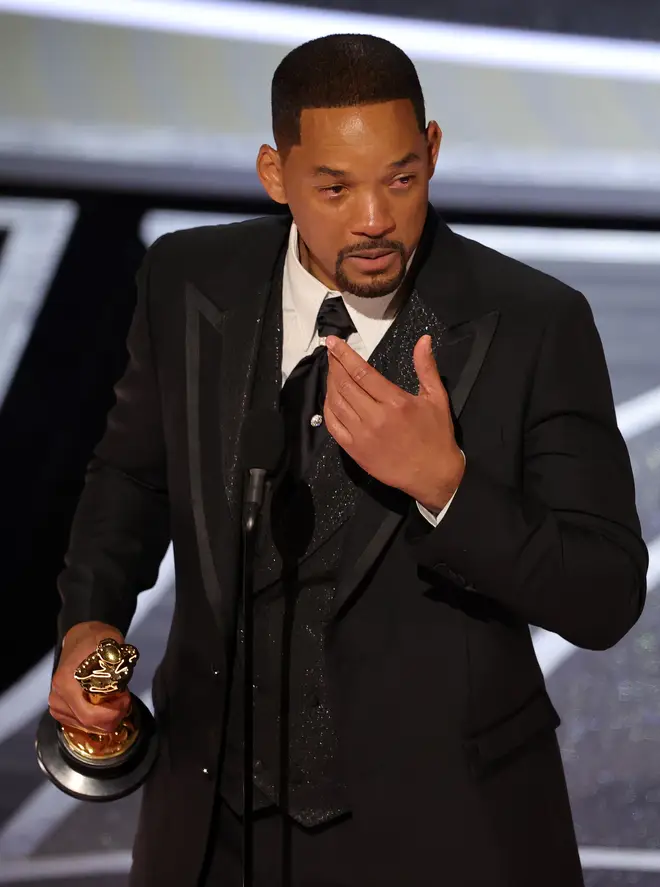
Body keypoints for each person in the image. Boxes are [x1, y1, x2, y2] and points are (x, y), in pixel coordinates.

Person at [47, 32, 648, 887]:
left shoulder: (535, 322)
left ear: (433, 152)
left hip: (452, 840)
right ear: (274, 173)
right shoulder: (187, 279)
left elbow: (606, 595)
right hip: (210, 833)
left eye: (401, 178)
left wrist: (448, 485)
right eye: (334, 187)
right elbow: (130, 477)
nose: (373, 218)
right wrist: (88, 621)